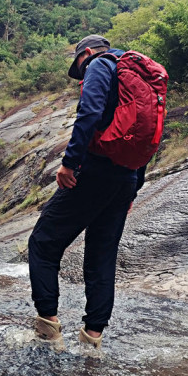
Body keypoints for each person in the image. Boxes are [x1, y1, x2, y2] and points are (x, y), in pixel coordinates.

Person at [28, 34, 146, 349]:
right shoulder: (137, 74)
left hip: (95, 171)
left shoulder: (100, 63)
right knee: (101, 258)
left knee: (42, 243)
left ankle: (48, 332)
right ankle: (92, 342)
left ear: (88, 53)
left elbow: (90, 112)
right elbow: (146, 136)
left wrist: (69, 163)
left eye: (80, 67)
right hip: (125, 178)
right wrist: (134, 186)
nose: (81, 75)